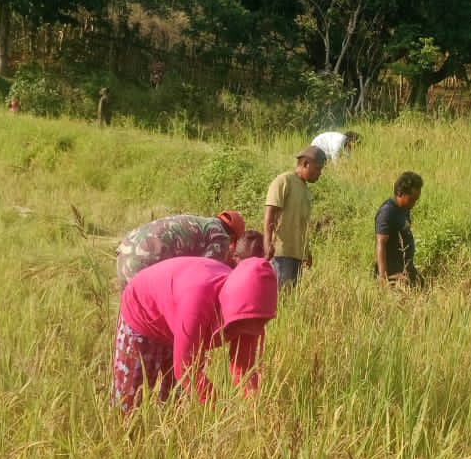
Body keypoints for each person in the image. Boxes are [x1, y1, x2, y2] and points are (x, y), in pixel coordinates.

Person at [112, 256, 278, 413]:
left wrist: (254, 412)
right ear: (232, 305)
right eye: (246, 323)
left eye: (260, 322)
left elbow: (243, 368)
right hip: (142, 311)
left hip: (179, 319)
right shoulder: (197, 300)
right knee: (130, 401)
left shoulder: (251, 312)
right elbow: (185, 368)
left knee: (175, 401)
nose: (251, 330)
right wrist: (221, 410)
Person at [115, 211, 246, 288]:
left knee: (128, 317)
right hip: (143, 259)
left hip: (125, 250)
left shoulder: (201, 223)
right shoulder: (221, 237)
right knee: (152, 316)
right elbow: (202, 273)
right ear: (232, 236)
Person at [264, 145, 326, 289]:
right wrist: (267, 243)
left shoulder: (304, 189)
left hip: (296, 255)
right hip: (281, 252)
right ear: (305, 164)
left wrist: (306, 251)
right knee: (281, 296)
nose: (319, 173)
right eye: (317, 168)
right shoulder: (284, 181)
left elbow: (300, 224)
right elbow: (270, 213)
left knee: (290, 296)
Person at [374, 171, 424, 285]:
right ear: (400, 193)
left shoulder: (404, 209)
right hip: (392, 273)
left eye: (416, 200)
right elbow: (380, 242)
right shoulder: (387, 212)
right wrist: (383, 278)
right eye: (412, 199)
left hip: (405, 268)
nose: (414, 204)